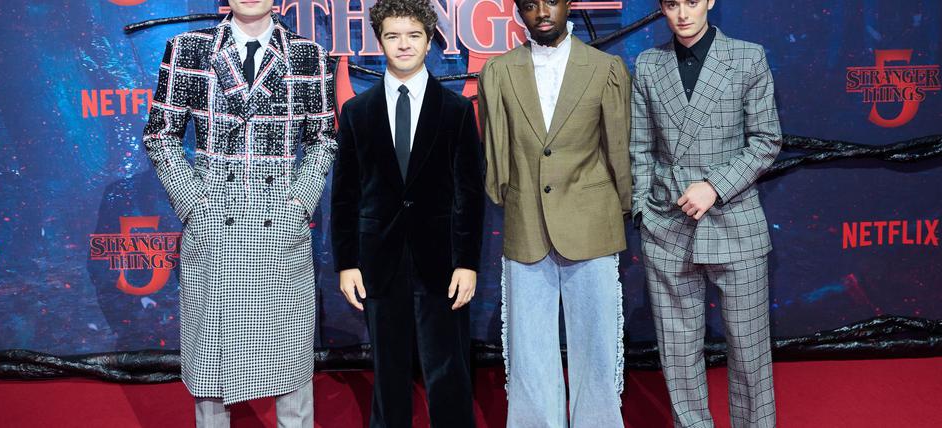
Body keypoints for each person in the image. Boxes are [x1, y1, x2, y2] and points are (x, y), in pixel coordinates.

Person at [142, 0, 336, 426]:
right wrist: (195, 204)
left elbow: (323, 139)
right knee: (211, 370)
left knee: (292, 366)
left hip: (281, 232)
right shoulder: (189, 49)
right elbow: (161, 136)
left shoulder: (309, 56)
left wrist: (299, 200)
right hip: (215, 230)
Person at [476, 0, 632, 425]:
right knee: (529, 352)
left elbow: (618, 147)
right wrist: (511, 197)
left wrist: (620, 205)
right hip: (525, 224)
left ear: (568, 5)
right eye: (529, 5)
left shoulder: (605, 68)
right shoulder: (498, 71)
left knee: (596, 349)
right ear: (518, 13)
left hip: (593, 222)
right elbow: (495, 151)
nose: (542, 12)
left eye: (551, 2)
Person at [331, 1, 486, 426]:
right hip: (379, 264)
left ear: (430, 39)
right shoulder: (356, 113)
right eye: (393, 36)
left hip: (442, 264)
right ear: (379, 40)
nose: (403, 45)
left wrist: (467, 263)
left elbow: (469, 195)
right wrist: (347, 263)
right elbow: (344, 196)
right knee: (388, 375)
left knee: (449, 373)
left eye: (413, 35)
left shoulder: (455, 111)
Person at [630, 1, 782, 426]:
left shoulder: (747, 57)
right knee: (678, 355)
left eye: (691, 2)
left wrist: (715, 186)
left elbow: (766, 140)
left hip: (734, 223)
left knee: (749, 352)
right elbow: (639, 147)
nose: (682, 13)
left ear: (710, 1)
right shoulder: (648, 64)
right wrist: (643, 208)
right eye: (672, 4)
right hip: (667, 226)